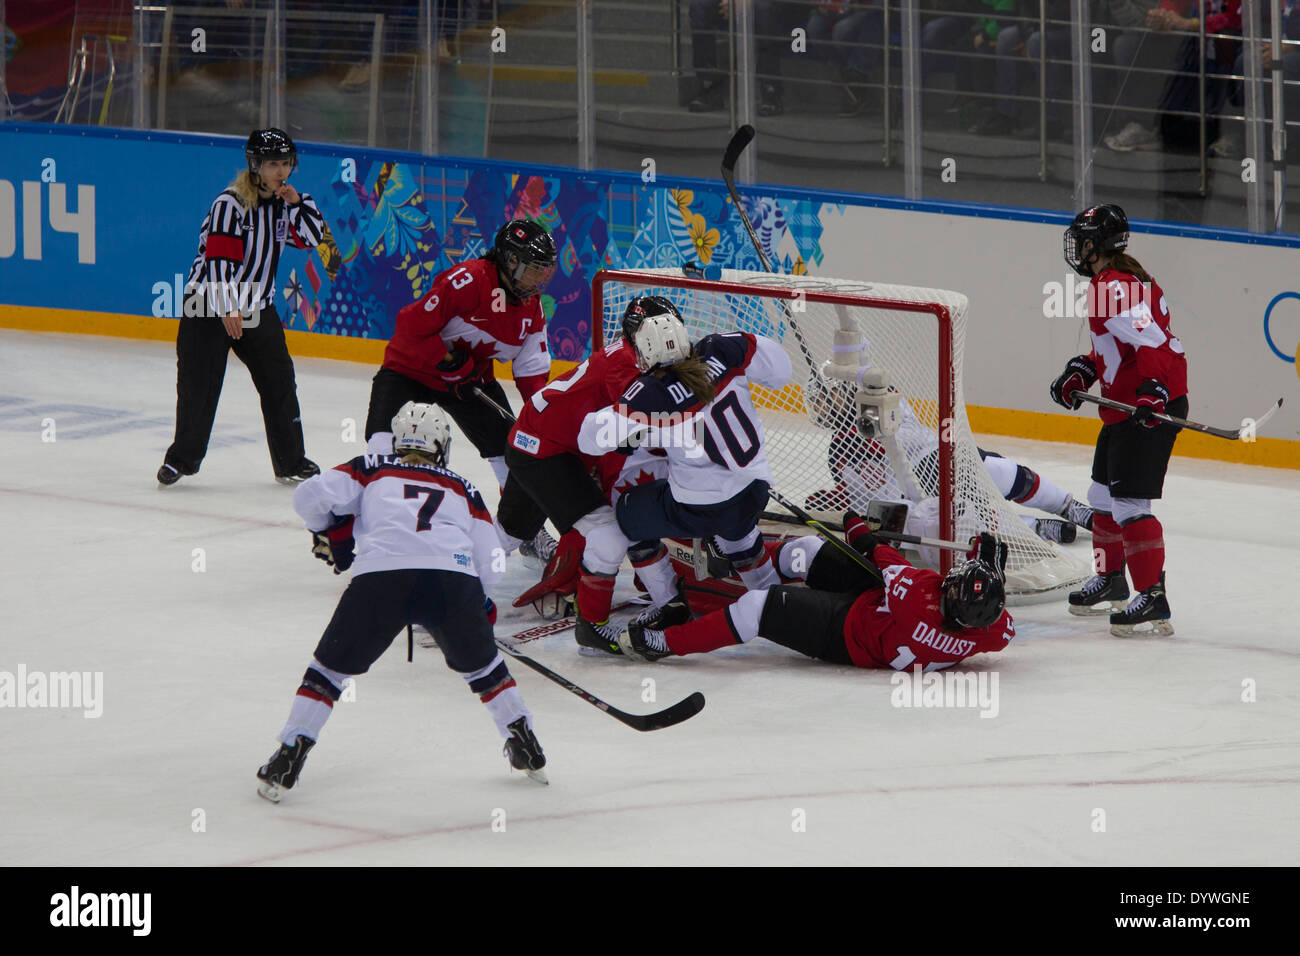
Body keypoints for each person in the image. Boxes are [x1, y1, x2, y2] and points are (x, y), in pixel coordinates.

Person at [255, 401, 547, 802]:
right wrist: (477, 602)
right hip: (451, 580)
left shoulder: (372, 468)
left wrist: (330, 531)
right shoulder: (463, 487)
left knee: (327, 673)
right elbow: (492, 558)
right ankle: (524, 741)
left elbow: (308, 497)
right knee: (486, 671)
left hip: (381, 578)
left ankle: (290, 753)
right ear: (441, 446)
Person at [576, 303, 794, 654]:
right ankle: (775, 601)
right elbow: (782, 370)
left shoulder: (649, 392)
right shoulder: (725, 347)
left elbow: (590, 437)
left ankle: (652, 607)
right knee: (736, 524)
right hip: (756, 490)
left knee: (624, 515)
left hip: (700, 512)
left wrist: (637, 426)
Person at [498, 297, 694, 654]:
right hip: (545, 452)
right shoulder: (623, 369)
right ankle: (592, 629)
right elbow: (641, 431)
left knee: (513, 529)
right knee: (610, 533)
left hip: (539, 440)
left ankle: (443, 584)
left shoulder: (630, 355)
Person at [620, 511, 1015, 671]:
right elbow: (992, 613)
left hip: (846, 633)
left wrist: (860, 531)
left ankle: (665, 643)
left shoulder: (915, 598)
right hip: (880, 610)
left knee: (758, 608)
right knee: (806, 551)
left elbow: (882, 556)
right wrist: (990, 570)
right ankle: (750, 565)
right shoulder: (991, 631)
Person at [158, 128, 325, 486]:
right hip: (209, 306)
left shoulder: (287, 203)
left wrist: (297, 204)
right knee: (198, 388)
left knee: (280, 382)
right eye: (272, 164)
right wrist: (227, 307)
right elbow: (218, 258)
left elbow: (315, 240)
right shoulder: (230, 204)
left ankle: (291, 461)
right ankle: (181, 459)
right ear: (255, 165)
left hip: (256, 308)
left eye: (285, 163)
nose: (280, 171)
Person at [1049, 203, 1187, 637]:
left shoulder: (1115, 286)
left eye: (1083, 240)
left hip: (1145, 409)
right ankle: (1111, 580)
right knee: (1102, 495)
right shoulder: (1123, 280)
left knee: (1129, 504)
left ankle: (1153, 596)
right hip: (1126, 405)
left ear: (1098, 245)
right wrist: (1084, 371)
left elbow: (1155, 345)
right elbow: (1119, 346)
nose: (1078, 248)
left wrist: (1153, 390)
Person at [363, 220, 556, 505]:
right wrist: (451, 362)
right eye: (533, 270)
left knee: (510, 454)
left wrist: (546, 421)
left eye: (544, 272)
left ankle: (521, 529)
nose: (538, 280)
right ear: (511, 261)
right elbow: (410, 325)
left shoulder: (532, 309)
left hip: (469, 382)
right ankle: (373, 510)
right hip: (410, 369)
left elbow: (532, 375)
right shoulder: (469, 280)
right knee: (381, 447)